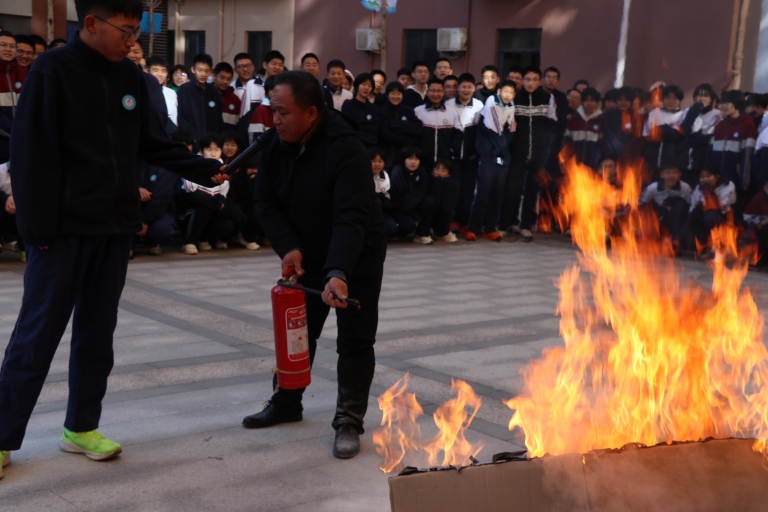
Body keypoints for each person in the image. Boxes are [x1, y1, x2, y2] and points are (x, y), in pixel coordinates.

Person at [0, 0, 226, 477]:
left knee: (97, 333)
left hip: (114, 224)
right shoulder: (52, 69)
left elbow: (151, 143)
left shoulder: (131, 78)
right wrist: (35, 229)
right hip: (61, 230)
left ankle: (81, 427)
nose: (132, 42)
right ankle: (2, 435)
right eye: (125, 30)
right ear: (91, 23)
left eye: (136, 31)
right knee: (37, 334)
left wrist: (204, 169)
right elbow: (29, 151)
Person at [244, 70, 387, 461]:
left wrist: (338, 272)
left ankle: (349, 420)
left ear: (311, 113)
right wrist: (288, 246)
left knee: (355, 337)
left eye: (283, 113)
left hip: (357, 252)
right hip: (307, 252)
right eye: (272, 111)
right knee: (298, 331)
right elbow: (265, 202)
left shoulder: (347, 149)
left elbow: (350, 218)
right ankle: (287, 401)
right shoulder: (275, 144)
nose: (275, 120)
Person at [499, 66, 556, 243]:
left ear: (540, 81)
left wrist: (546, 142)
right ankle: (505, 225)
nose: (531, 83)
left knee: (532, 189)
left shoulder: (547, 98)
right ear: (522, 81)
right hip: (518, 151)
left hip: (539, 153)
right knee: (512, 189)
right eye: (527, 79)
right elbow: (507, 124)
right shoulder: (515, 98)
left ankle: (526, 226)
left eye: (534, 80)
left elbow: (552, 123)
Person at [466, 80, 516, 242]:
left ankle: (490, 228)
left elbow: (511, 129)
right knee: (483, 192)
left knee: (497, 194)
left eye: (511, 92)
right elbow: (493, 130)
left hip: (502, 158)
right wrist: (501, 148)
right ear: (499, 91)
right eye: (505, 91)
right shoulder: (491, 103)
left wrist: (504, 151)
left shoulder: (511, 107)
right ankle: (473, 228)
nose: (508, 95)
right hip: (488, 156)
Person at [178, 132, 234, 255]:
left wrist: (218, 203)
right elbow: (191, 192)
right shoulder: (192, 165)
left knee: (227, 222)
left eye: (217, 149)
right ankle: (189, 242)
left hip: (211, 207)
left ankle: (204, 239)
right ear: (201, 150)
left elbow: (223, 195)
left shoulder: (224, 168)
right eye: (209, 149)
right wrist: (214, 202)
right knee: (202, 210)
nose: (213, 154)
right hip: (189, 209)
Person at [446, 73, 483, 232]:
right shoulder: (448, 105)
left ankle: (464, 221)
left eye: (469, 87)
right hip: (453, 157)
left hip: (471, 157)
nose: (466, 90)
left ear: (474, 88)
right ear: (458, 88)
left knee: (468, 190)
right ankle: (452, 220)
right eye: (463, 87)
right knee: (453, 189)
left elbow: (481, 131)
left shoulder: (479, 106)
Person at [710, 90, 756, 212]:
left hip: (735, 180)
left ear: (737, 103)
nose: (723, 106)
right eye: (722, 103)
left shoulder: (748, 124)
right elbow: (711, 154)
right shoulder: (720, 126)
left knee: (733, 213)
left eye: (727, 103)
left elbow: (748, 156)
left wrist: (744, 182)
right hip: (717, 180)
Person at [685, 162, 736, 254]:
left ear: (717, 176)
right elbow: (692, 207)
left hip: (722, 218)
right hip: (702, 218)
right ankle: (705, 247)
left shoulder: (728, 185)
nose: (705, 179)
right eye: (702, 177)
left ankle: (721, 246)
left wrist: (710, 193)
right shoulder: (698, 188)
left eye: (708, 176)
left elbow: (723, 205)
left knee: (710, 216)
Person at [638, 164, 691, 250]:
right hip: (658, 219)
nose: (671, 176)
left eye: (674, 173)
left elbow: (690, 208)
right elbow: (641, 204)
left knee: (680, 205)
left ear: (679, 174)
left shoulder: (685, 188)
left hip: (676, 221)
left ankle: (675, 240)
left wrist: (678, 201)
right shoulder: (653, 188)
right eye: (668, 173)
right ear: (662, 174)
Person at [389, 146, 435, 245]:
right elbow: (396, 198)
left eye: (416, 159)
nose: (413, 162)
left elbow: (421, 192)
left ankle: (422, 234)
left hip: (413, 206)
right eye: (410, 158)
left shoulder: (422, 172)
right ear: (404, 159)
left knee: (429, 201)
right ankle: (397, 234)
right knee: (408, 225)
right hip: (399, 209)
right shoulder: (397, 172)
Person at [678, 84, 722, 187]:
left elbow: (709, 137)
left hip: (702, 162)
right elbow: (683, 133)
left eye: (705, 96)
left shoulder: (717, 114)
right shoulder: (688, 112)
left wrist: (689, 140)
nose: (701, 98)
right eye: (699, 95)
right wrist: (692, 114)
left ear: (711, 99)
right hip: (684, 162)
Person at [414, 77, 463, 163]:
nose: (436, 94)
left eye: (439, 91)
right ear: (427, 92)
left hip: (445, 161)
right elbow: (413, 135)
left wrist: (451, 150)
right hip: (423, 161)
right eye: (432, 90)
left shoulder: (452, 112)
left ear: (443, 92)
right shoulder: (418, 111)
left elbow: (459, 134)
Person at [177, 53, 223, 144]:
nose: (203, 74)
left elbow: (218, 118)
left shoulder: (213, 90)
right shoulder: (184, 90)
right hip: (192, 142)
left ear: (210, 72)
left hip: (211, 143)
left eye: (206, 71)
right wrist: (193, 139)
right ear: (193, 69)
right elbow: (183, 119)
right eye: (200, 70)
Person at [135, 160, 177, 256]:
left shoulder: (165, 165)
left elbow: (162, 197)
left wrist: (145, 220)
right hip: (131, 210)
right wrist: (135, 190)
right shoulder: (126, 160)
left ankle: (152, 243)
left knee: (162, 229)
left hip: (157, 211)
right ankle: (129, 245)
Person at [377, 81, 423, 168]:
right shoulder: (382, 111)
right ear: (387, 95)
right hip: (388, 155)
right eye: (392, 93)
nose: (396, 97)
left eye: (399, 94)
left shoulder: (408, 110)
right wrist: (406, 139)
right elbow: (384, 133)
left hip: (405, 155)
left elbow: (418, 127)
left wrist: (398, 124)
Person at [642, 85, 685, 177]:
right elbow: (648, 134)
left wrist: (660, 130)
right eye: (667, 98)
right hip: (651, 160)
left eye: (674, 98)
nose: (671, 101)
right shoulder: (654, 113)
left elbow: (678, 135)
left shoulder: (683, 116)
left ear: (680, 100)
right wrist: (667, 130)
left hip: (673, 162)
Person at [0, 31, 25, 165]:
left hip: (20, 142)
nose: (8, 49)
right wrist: (13, 130)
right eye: (3, 45)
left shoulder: (24, 73)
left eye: (12, 46)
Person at [227, 156, 261, 250]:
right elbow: (230, 197)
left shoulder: (260, 178)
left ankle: (248, 238)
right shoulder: (236, 177)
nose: (254, 171)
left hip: (250, 206)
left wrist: (253, 181)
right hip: (236, 206)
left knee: (257, 214)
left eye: (257, 168)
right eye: (251, 168)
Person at [564, 87, 603, 170]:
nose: (589, 103)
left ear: (597, 102)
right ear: (582, 102)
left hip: (593, 164)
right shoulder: (573, 118)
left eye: (592, 100)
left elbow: (602, 144)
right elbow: (567, 141)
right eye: (586, 100)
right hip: (574, 162)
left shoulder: (601, 119)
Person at [341, 72, 380, 148]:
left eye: (370, 86)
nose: (367, 88)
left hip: (370, 147)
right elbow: (347, 126)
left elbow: (374, 129)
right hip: (352, 146)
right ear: (357, 86)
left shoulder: (374, 108)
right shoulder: (348, 105)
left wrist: (358, 126)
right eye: (364, 84)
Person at [241, 50, 285, 116]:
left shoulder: (283, 86)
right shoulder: (251, 84)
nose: (277, 67)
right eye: (274, 64)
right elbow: (245, 112)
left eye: (280, 65)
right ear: (265, 65)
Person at [370, 146, 398, 237]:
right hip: (366, 211)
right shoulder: (362, 175)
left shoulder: (386, 176)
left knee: (391, 227)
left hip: (382, 211)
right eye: (373, 161)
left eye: (380, 161)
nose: (377, 164)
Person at [429, 159, 458, 242]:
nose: (439, 173)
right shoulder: (427, 182)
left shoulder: (451, 185)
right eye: (437, 169)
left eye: (443, 170)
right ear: (432, 171)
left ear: (448, 174)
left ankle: (442, 232)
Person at [146, 55, 178, 128]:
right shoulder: (143, 90)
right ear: (147, 70)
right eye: (156, 70)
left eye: (163, 71)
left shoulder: (171, 93)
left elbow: (174, 116)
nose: (160, 74)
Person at [247, 75, 277, 143]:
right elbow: (255, 141)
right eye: (272, 89)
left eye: (278, 89)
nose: (275, 92)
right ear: (267, 92)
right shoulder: (261, 111)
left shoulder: (286, 110)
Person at [213, 62, 241, 133]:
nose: (225, 81)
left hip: (228, 139)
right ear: (214, 76)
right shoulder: (205, 95)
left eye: (228, 79)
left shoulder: (235, 100)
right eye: (222, 78)